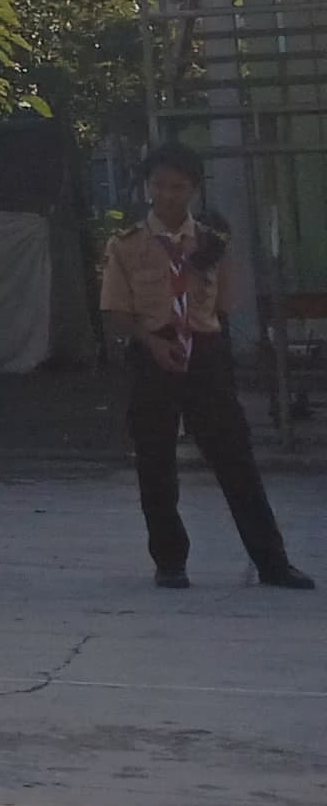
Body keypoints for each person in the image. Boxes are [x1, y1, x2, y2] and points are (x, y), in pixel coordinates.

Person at [99, 144, 313, 591]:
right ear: (147, 187)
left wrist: (202, 332)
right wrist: (151, 342)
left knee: (236, 459)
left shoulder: (213, 243)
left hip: (205, 353)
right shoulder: (127, 245)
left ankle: (272, 562)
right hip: (152, 354)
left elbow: (228, 303)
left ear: (193, 189)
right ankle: (170, 561)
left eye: (178, 187)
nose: (167, 195)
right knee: (155, 461)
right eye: (159, 185)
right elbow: (117, 310)